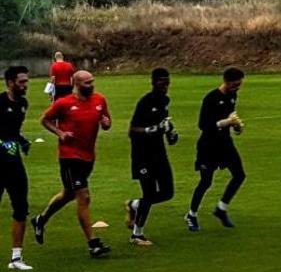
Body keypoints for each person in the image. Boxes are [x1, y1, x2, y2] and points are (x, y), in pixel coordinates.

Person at [31, 71, 111, 258]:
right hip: (69, 157)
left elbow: (106, 122)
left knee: (68, 194)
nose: (91, 85)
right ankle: (93, 244)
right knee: (83, 196)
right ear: (76, 84)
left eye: (92, 82)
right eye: (87, 83)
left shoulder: (100, 100)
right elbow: (44, 120)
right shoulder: (64, 103)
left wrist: (106, 123)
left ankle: (40, 220)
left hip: (88, 157)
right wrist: (60, 133)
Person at [185, 67, 247, 232]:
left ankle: (221, 208)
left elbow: (231, 116)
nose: (237, 88)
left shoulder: (232, 96)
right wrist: (224, 122)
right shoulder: (211, 98)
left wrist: (237, 126)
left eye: (239, 85)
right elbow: (203, 125)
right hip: (208, 146)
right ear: (226, 81)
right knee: (206, 182)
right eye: (235, 85)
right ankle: (191, 214)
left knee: (239, 175)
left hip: (225, 144)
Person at [124, 68, 179, 246]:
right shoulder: (145, 102)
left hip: (159, 153)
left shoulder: (165, 101)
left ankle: (134, 205)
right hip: (142, 154)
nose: (165, 87)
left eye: (167, 83)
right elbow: (132, 131)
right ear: (154, 82)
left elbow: (164, 123)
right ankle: (136, 235)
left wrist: (170, 132)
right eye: (162, 83)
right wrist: (152, 130)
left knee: (167, 192)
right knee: (148, 193)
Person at [1, 67, 34, 270]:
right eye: (21, 82)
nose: (25, 86)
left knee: (21, 206)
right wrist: (6, 144)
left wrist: (21, 140)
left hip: (13, 164)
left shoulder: (22, 104)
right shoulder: (0, 103)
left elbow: (13, 130)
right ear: (10, 82)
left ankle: (16, 258)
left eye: (26, 81)